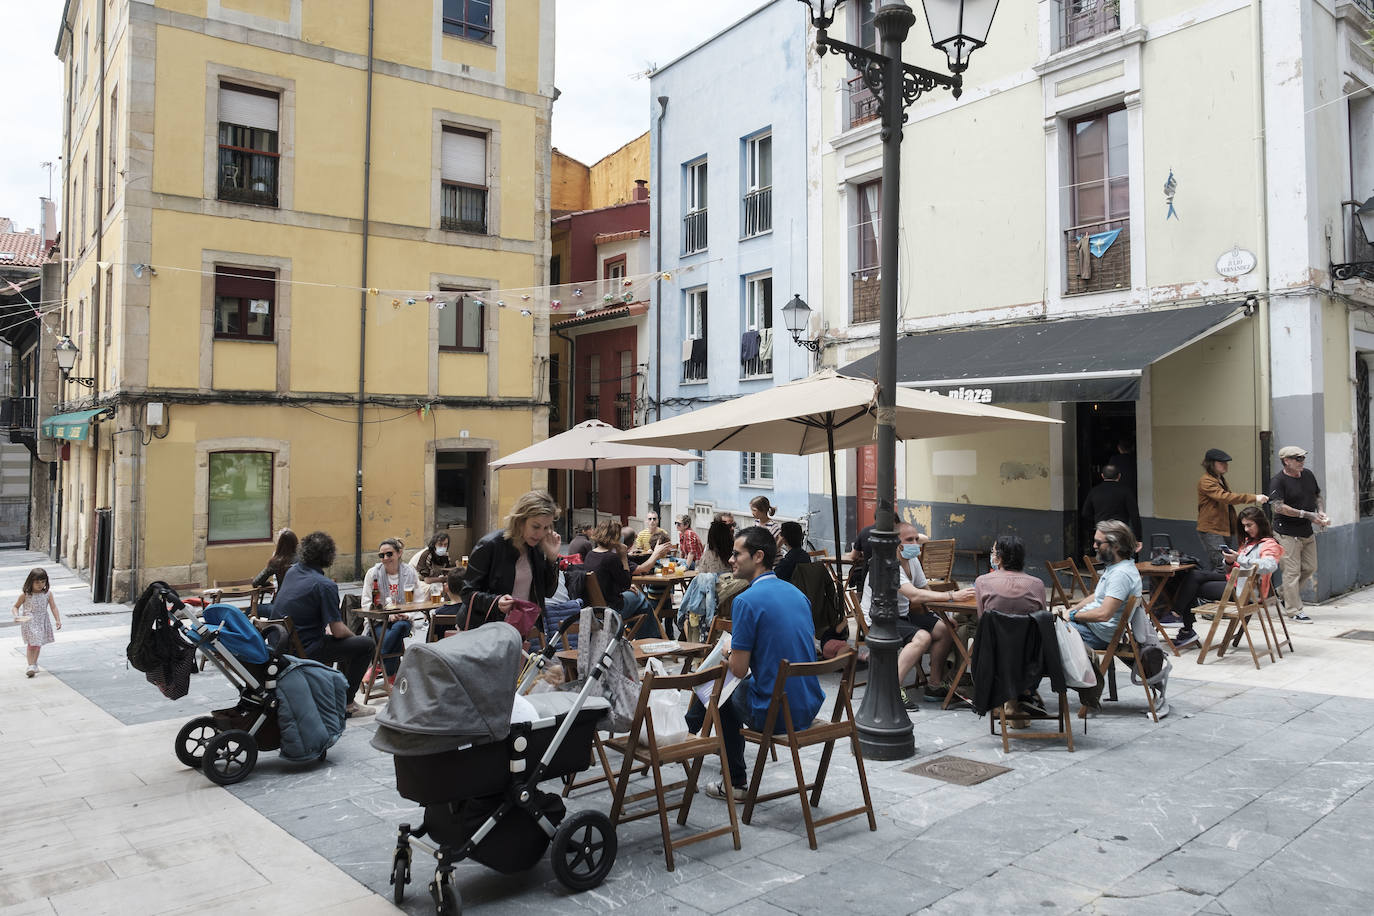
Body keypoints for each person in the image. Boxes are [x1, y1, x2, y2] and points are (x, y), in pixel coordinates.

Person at [685, 526, 824, 802]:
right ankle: (693, 730)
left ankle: (734, 781)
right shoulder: (797, 595)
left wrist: (729, 648)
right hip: (807, 703)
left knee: (719, 690)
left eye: (737, 554)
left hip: (777, 712)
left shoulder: (746, 601)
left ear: (758, 556)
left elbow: (737, 669)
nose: (731, 559)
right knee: (722, 685)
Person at [861, 522, 972, 709]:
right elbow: (914, 594)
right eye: (909, 540)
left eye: (916, 539)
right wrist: (952, 596)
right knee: (922, 637)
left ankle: (934, 686)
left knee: (945, 629)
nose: (915, 544)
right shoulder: (888, 564)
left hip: (903, 615)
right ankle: (892, 689)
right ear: (897, 544)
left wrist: (941, 615)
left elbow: (924, 588)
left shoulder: (911, 560)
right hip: (879, 619)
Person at [274, 531, 376, 718]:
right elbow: (338, 631)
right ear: (329, 556)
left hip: (281, 644)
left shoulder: (292, 572)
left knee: (350, 645)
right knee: (365, 645)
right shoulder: (325, 585)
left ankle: (336, 695)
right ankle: (347, 703)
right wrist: (355, 638)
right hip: (305, 648)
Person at [1169, 506, 1283, 648]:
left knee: (1192, 586)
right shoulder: (1249, 541)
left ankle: (1182, 624)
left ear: (1260, 523)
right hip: (1235, 580)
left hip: (1244, 591)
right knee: (1192, 575)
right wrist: (1229, 561)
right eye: (1244, 526)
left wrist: (1239, 558)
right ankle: (1179, 619)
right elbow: (1235, 566)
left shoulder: (1269, 544)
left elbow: (1269, 565)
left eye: (1249, 525)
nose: (1246, 529)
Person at [1066, 520, 1142, 710]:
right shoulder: (1117, 568)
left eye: (1099, 543)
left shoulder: (1121, 575)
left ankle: (1024, 695)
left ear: (1115, 546)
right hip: (1093, 628)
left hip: (1098, 634)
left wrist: (1074, 616)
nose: (1094, 546)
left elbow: (1104, 614)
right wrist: (1072, 611)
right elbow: (1097, 596)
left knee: (1038, 636)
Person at [460, 490, 562, 629]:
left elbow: (547, 593)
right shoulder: (490, 545)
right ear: (520, 520)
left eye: (546, 528)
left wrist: (552, 559)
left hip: (520, 629)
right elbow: (467, 593)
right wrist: (496, 602)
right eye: (535, 526)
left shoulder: (536, 548)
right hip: (486, 630)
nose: (540, 533)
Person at [973, 536, 1047, 721]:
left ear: (998, 557)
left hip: (994, 654)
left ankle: (1003, 700)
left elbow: (983, 620)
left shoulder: (982, 582)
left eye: (993, 551)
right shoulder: (1037, 584)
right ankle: (1018, 698)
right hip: (1030, 656)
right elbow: (1042, 619)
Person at [1268, 445, 1328, 622]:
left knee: (1310, 567)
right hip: (1286, 532)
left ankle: (1281, 592)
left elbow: (1317, 495)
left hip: (1306, 531)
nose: (1302, 462)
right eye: (1298, 459)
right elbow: (1278, 507)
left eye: (1303, 458)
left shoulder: (1308, 474)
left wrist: (1321, 511)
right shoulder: (1278, 481)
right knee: (1291, 572)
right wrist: (1307, 515)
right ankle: (1294, 611)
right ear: (1286, 461)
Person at [1196, 447, 1267, 572]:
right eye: (1221, 463)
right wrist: (1254, 497)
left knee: (1225, 563)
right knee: (1221, 564)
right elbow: (1226, 498)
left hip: (1224, 528)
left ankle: (1218, 590)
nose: (1225, 465)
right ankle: (1219, 591)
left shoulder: (1219, 479)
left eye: (1226, 463)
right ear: (1211, 464)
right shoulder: (1206, 481)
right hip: (1212, 529)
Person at [363, 538, 422, 681]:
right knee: (392, 635)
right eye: (381, 555)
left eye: (389, 554)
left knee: (401, 626)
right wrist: (388, 616)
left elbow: (419, 600)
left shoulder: (410, 572)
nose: (385, 558)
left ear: (399, 553)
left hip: (403, 620)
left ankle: (378, 665)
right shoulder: (373, 573)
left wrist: (407, 615)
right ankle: (390, 674)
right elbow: (366, 603)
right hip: (379, 622)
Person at [581, 518, 656, 624]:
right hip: (612, 609)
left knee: (638, 607)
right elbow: (626, 583)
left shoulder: (590, 555)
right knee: (641, 599)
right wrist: (623, 557)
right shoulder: (611, 558)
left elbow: (606, 580)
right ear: (615, 537)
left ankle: (634, 633)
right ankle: (651, 637)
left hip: (595, 607)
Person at [13, 568, 61, 678]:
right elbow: (15, 607)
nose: (40, 585)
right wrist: (17, 616)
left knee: (38, 642)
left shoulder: (48, 594)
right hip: (29, 621)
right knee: (33, 642)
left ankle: (34, 664)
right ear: (31, 582)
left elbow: (53, 607)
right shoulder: (26, 595)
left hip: (42, 621)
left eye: (43, 582)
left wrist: (57, 620)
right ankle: (30, 665)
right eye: (37, 582)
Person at [1081, 462, 1141, 545]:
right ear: (1119, 476)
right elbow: (1135, 516)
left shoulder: (1094, 491)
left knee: (1102, 556)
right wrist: (1138, 538)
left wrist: (1097, 521)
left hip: (1102, 531)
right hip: (1120, 531)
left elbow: (1085, 513)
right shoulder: (1126, 491)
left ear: (1102, 476)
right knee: (1122, 555)